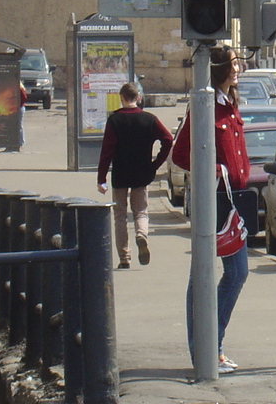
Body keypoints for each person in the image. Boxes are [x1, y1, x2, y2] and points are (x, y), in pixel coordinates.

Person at [173, 46, 250, 373]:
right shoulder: (205, 105)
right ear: (218, 68)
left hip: (233, 201)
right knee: (208, 274)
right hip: (214, 201)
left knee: (236, 272)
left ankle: (211, 344)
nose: (237, 69)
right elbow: (180, 154)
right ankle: (206, 348)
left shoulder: (229, 104)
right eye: (232, 64)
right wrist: (213, 169)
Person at [97, 82, 173, 270]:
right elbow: (168, 140)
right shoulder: (149, 119)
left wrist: (101, 178)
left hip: (121, 173)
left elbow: (107, 151)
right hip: (142, 172)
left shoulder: (114, 120)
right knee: (141, 211)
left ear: (121, 98)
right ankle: (142, 235)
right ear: (138, 98)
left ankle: (125, 257)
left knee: (120, 215)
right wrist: (155, 163)